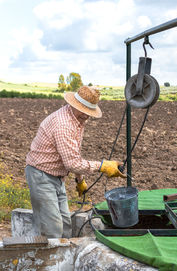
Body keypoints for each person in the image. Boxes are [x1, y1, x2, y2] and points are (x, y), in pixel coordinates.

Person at [25, 85, 125, 238]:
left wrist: (80, 180)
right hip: (41, 175)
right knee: (52, 229)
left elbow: (74, 153)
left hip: (57, 177)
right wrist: (103, 166)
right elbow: (72, 163)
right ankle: (49, 260)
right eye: (84, 111)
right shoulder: (63, 124)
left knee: (65, 224)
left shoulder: (77, 120)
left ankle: (63, 258)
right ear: (74, 105)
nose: (87, 116)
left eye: (89, 112)